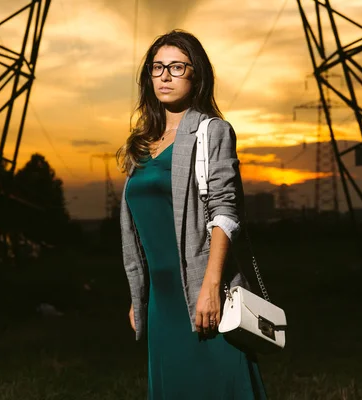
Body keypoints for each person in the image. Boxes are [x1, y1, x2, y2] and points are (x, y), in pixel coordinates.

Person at [117, 30, 268, 399]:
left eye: (176, 67)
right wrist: (140, 299)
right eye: (157, 67)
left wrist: (211, 287)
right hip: (161, 303)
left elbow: (225, 212)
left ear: (195, 74)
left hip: (202, 290)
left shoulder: (211, 131)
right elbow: (141, 232)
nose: (165, 76)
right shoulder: (141, 144)